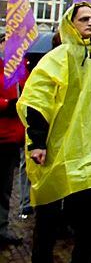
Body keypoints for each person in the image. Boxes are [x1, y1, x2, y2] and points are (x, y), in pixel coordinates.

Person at [17, 3, 91, 263]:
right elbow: (37, 103)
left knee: (89, 223)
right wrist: (37, 142)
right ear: (71, 23)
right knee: (48, 220)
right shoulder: (56, 59)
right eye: (84, 19)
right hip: (57, 149)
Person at [0, 61, 26, 246]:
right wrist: (8, 105)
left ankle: (1, 228)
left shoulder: (19, 68)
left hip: (11, 138)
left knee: (4, 188)